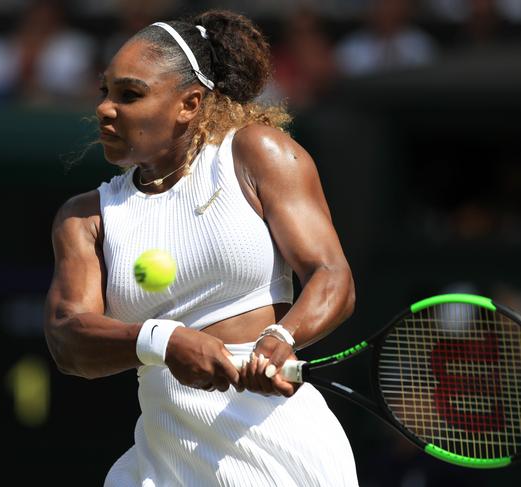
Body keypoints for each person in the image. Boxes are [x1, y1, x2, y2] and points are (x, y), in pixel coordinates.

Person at [44, 9, 358, 486]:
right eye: (104, 92)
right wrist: (162, 341)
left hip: (281, 453)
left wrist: (282, 338)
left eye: (130, 94)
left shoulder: (258, 154)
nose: (106, 109)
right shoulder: (84, 217)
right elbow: (68, 340)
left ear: (189, 104)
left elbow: (332, 276)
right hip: (162, 464)